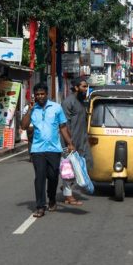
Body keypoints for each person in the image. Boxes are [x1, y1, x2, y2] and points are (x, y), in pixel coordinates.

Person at [23, 82, 73, 218]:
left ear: (47, 94)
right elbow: (23, 126)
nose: (40, 96)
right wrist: (30, 110)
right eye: (37, 94)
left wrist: (69, 143)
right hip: (37, 149)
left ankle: (52, 198)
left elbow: (63, 127)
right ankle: (40, 206)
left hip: (54, 149)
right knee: (39, 177)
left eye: (42, 94)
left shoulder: (56, 108)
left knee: (52, 176)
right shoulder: (32, 109)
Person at [59, 76, 90, 207]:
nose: (86, 89)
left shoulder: (82, 102)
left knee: (85, 165)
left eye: (86, 86)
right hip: (70, 142)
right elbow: (64, 125)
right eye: (83, 86)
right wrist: (70, 143)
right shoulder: (68, 102)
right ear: (76, 87)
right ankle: (68, 196)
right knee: (69, 169)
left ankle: (67, 189)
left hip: (81, 141)